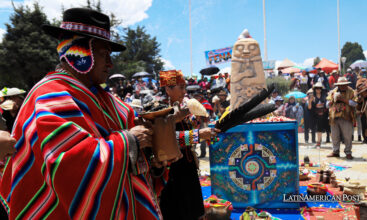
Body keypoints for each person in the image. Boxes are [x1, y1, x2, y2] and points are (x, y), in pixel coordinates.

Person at [0, 8, 162, 219]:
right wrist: (129, 141)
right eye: (104, 54)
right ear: (80, 54)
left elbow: (134, 157)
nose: (110, 64)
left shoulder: (108, 101)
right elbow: (69, 165)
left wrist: (153, 158)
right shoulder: (49, 96)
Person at [158, 70, 218, 219]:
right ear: (168, 89)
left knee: (192, 208)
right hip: (172, 169)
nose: (185, 92)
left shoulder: (184, 109)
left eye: (185, 88)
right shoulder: (159, 111)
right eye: (181, 88)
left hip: (188, 165)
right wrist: (198, 135)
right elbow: (167, 139)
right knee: (176, 209)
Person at [327, 77, 357, 160]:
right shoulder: (333, 92)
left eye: (344, 85)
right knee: (334, 135)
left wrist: (343, 100)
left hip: (347, 116)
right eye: (341, 85)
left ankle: (348, 152)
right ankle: (335, 151)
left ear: (347, 84)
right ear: (338, 85)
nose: (342, 86)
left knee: (347, 135)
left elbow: (355, 103)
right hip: (334, 116)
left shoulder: (352, 91)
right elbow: (327, 104)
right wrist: (332, 100)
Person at [308, 82, 329, 147]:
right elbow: (309, 108)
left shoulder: (325, 96)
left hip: (325, 114)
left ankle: (334, 142)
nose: (318, 90)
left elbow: (327, 105)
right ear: (315, 89)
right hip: (317, 115)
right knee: (319, 129)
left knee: (329, 128)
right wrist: (310, 101)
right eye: (317, 88)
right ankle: (318, 142)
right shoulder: (312, 97)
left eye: (320, 88)